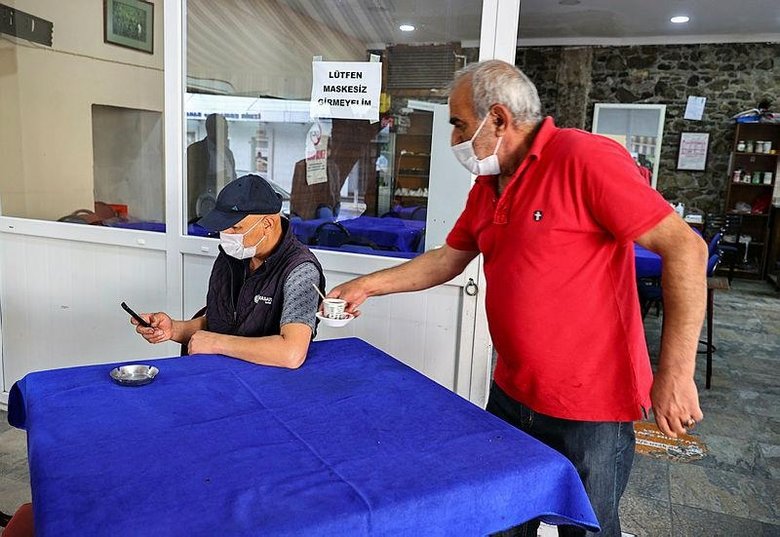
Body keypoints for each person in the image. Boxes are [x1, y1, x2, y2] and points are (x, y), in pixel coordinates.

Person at [327, 60, 707, 537]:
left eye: (459, 125)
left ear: (499, 119)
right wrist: (366, 285)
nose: (454, 140)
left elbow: (686, 249)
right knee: (501, 519)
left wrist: (675, 373)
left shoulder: (582, 157)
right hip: (512, 393)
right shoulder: (488, 186)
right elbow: (447, 260)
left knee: (585, 529)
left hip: (590, 406)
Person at [133, 174, 325, 368]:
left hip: (265, 380)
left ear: (267, 224)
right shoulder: (232, 256)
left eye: (235, 227)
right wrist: (173, 329)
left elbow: (291, 353)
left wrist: (217, 343)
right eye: (223, 227)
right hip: (219, 373)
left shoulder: (301, 270)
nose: (226, 236)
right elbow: (218, 322)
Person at [187, 113, 237, 223]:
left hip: (226, 209)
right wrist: (217, 178)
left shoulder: (227, 153)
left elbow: (233, 177)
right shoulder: (196, 150)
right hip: (202, 209)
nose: (226, 133)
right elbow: (191, 180)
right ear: (210, 129)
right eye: (222, 128)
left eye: (226, 129)